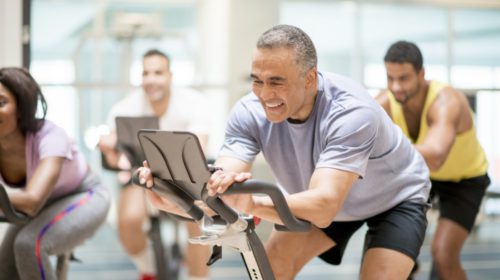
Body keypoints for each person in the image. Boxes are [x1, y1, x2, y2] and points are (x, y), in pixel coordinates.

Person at [138, 25, 432, 279]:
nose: (264, 94)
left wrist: (250, 203)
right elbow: (223, 183)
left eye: (277, 82)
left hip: (395, 198)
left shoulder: (351, 112)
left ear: (310, 78)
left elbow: (325, 206)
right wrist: (178, 197)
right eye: (257, 80)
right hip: (323, 197)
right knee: (273, 266)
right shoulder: (249, 112)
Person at [376, 41, 490, 280]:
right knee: (390, 252)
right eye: (390, 78)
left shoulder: (446, 102)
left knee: (443, 255)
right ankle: (408, 265)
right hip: (419, 177)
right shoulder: (384, 102)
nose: (396, 87)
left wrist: (386, 150)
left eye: (404, 78)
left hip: (464, 180)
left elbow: (435, 156)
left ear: (421, 74)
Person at [98, 49, 211, 280]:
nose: (151, 79)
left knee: (199, 223)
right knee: (128, 221)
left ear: (170, 75)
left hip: (184, 177)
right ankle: (149, 270)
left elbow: (200, 148)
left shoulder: (194, 103)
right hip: (142, 177)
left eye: (157, 73)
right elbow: (114, 161)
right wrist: (108, 148)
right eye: (145, 73)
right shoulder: (124, 108)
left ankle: (197, 276)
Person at [0, 67, 110, 280]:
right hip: (47, 203)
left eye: (0, 102)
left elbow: (32, 201)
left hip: (86, 194)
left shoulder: (51, 136)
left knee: (29, 245)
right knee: (4, 267)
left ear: (21, 109)